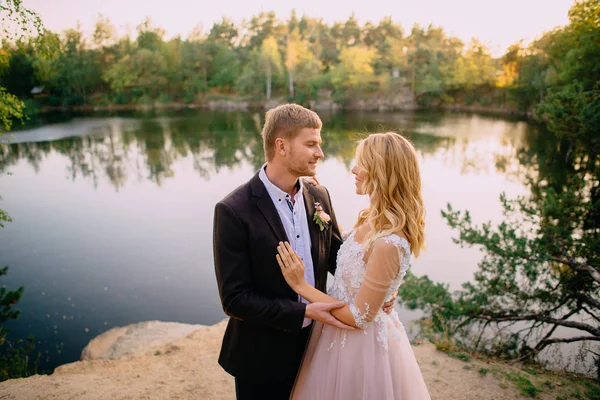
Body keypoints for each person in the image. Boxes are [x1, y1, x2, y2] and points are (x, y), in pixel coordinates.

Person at [213, 104, 396, 400]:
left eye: (319, 144)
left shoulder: (318, 195)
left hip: (320, 343)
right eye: (311, 144)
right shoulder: (234, 210)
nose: (320, 153)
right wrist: (303, 311)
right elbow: (235, 299)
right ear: (281, 146)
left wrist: (381, 283)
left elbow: (339, 255)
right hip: (262, 354)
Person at [276, 132, 431, 399]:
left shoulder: (389, 242)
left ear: (382, 172)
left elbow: (359, 318)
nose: (354, 170)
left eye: (362, 164)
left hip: (360, 348)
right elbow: (352, 257)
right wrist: (313, 197)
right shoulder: (371, 219)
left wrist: (301, 286)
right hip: (333, 337)